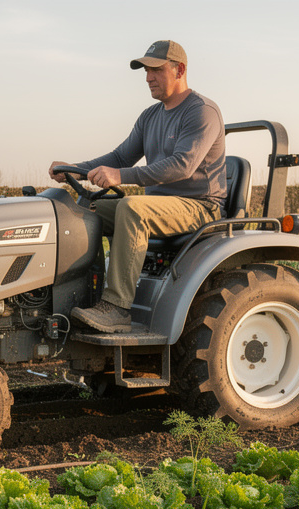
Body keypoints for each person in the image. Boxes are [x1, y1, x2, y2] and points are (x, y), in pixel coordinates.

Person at [50, 40, 226, 333]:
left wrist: (121, 176)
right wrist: (76, 170)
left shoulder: (202, 111)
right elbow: (120, 157)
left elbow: (182, 165)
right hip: (161, 207)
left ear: (179, 69)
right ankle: (81, 295)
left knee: (132, 208)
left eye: (155, 70)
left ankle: (116, 308)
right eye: (146, 71)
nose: (148, 78)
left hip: (199, 207)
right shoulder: (150, 116)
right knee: (84, 210)